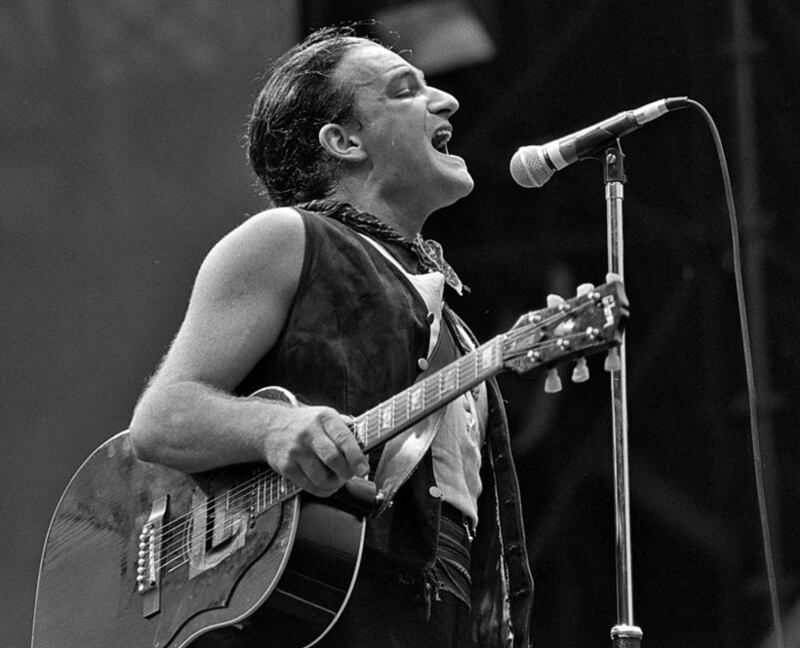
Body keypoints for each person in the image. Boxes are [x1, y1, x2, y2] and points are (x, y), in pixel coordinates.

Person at [129, 25, 533, 648]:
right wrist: (273, 428)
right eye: (406, 90)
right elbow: (160, 420)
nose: (447, 101)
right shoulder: (286, 239)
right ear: (342, 141)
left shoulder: (453, 327)